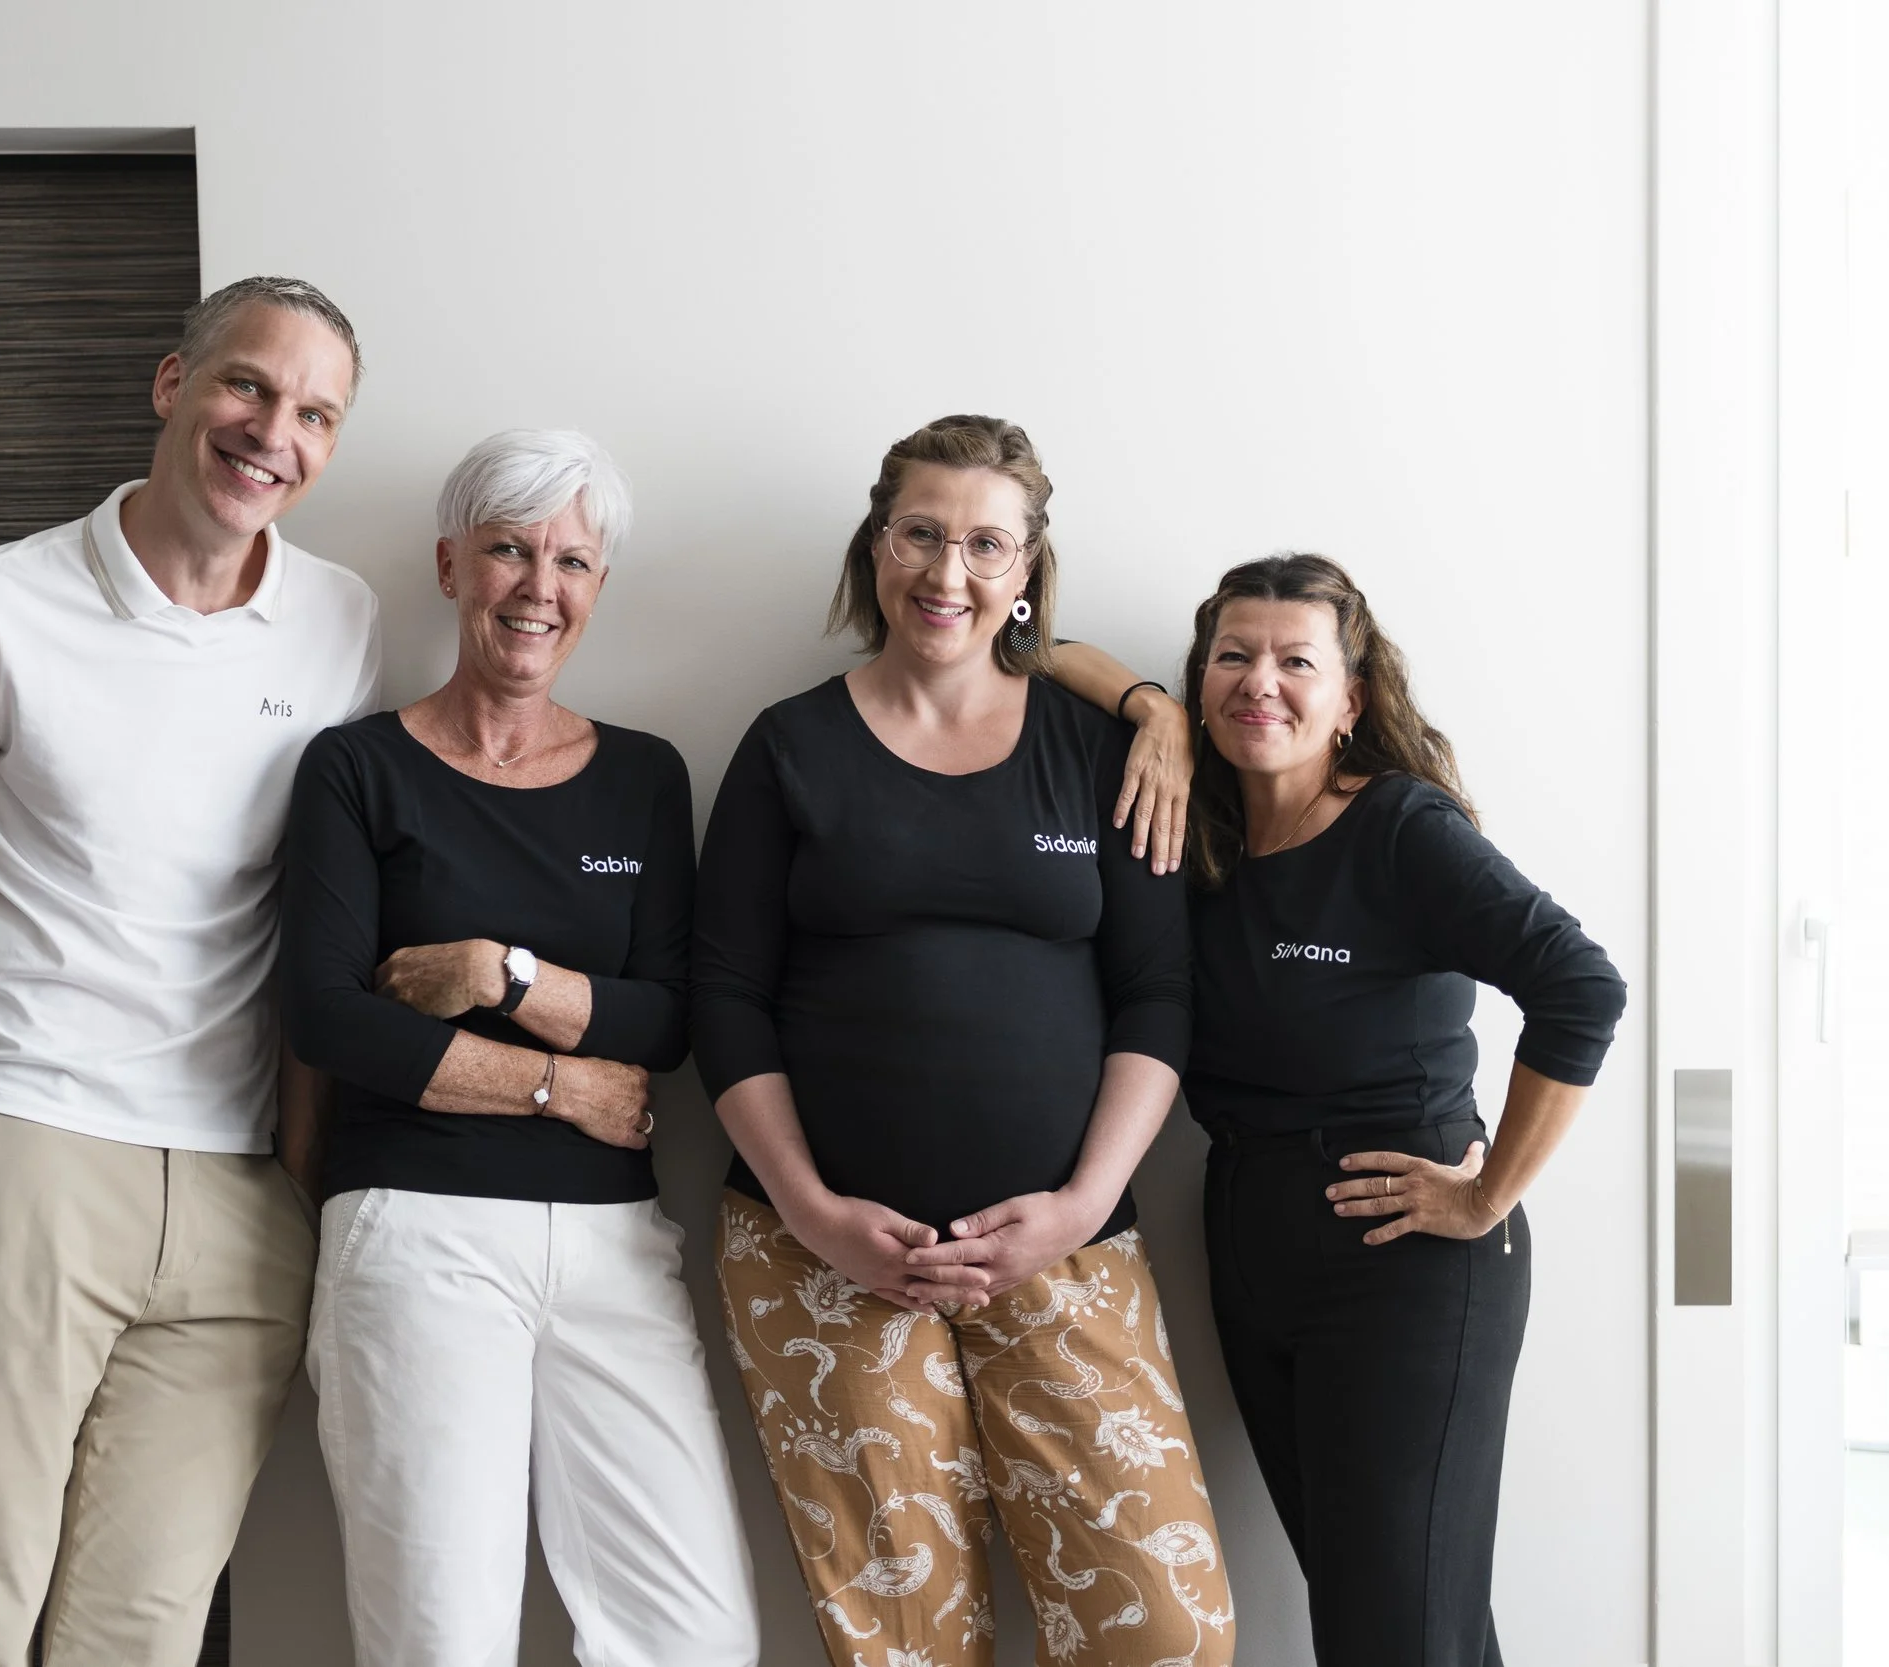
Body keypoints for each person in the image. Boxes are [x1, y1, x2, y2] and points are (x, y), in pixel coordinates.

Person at [0, 275, 377, 1666]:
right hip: (28, 1146)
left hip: (239, 1195)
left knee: (138, 1637)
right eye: (248, 384)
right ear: (172, 383)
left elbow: (319, 910)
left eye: (315, 413)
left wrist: (299, 1171)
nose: (274, 433)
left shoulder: (341, 621)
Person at [693, 414, 1236, 1666]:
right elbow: (724, 995)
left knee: (1166, 1632)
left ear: (1028, 566)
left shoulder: (1099, 748)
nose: (949, 572)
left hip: (1064, 1247)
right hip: (822, 1258)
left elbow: (1156, 994)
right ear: (875, 546)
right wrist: (815, 1209)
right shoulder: (788, 746)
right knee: (905, 1643)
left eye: (986, 543)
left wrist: (1082, 1203)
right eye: (920, 534)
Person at [279, 429, 760, 1667]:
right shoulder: (356, 767)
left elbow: (666, 1020)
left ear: (598, 585)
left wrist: (502, 973)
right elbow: (329, 1016)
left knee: (695, 1639)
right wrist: (558, 1084)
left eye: (573, 561)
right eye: (508, 549)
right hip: (415, 1231)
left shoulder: (644, 776)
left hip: (613, 1245)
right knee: (442, 1639)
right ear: (451, 565)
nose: (539, 587)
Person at [1176, 554, 1626, 1666]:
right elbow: (1051, 657)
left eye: (1295, 660)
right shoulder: (1202, 837)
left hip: (1403, 1260)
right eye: (1231, 655)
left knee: (1397, 1631)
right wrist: (1139, 709)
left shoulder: (1398, 828)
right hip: (1248, 1238)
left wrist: (1487, 1195)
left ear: (1352, 699)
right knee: (1394, 1621)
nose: (1258, 681)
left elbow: (1581, 987)